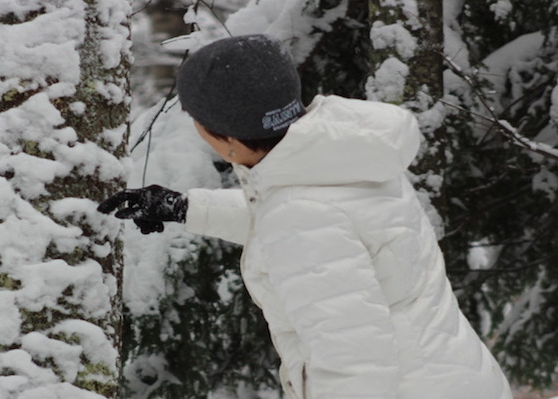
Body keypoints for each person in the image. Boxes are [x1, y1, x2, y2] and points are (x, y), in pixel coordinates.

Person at [98, 34, 513, 399]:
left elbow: (355, 367)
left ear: (226, 136)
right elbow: (325, 233)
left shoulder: (300, 212)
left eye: (196, 119)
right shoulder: (340, 158)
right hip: (455, 378)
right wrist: (186, 207)